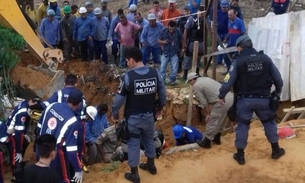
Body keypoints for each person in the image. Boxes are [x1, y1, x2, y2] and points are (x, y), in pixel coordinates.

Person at [218, 35, 285, 165]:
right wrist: (277, 92)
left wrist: (221, 95)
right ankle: (276, 150)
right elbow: (279, 80)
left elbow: (227, 81)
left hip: (244, 101)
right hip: (264, 99)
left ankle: (240, 155)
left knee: (243, 125)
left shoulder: (238, 61)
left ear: (239, 47)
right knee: (269, 123)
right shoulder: (266, 59)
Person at [111, 46, 166, 183]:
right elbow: (162, 91)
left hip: (134, 118)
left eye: (127, 61)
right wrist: (160, 106)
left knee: (133, 144)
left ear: (132, 60)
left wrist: (114, 112)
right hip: (149, 117)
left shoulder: (129, 77)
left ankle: (134, 174)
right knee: (149, 139)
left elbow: (119, 98)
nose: (127, 64)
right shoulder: (155, 73)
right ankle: (151, 165)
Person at [37, 90, 84, 183]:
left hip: (40, 147)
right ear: (79, 104)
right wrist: (78, 169)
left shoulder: (52, 105)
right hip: (55, 154)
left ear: (67, 98)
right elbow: (71, 150)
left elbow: (39, 126)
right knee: (63, 179)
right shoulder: (72, 121)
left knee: (43, 176)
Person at [185, 72, 234, 148]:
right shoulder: (205, 79)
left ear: (192, 80)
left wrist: (208, 114)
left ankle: (206, 141)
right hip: (230, 98)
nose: (190, 84)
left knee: (212, 120)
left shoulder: (196, 86)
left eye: (189, 82)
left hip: (222, 101)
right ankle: (216, 138)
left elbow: (204, 103)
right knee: (221, 120)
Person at [6, 97, 41, 183]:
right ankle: (17, 177)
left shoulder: (24, 103)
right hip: (13, 135)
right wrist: (18, 151)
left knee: (17, 155)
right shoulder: (24, 112)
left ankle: (16, 174)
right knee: (17, 156)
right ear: (31, 101)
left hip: (13, 131)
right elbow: (18, 133)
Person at [182, 6, 205, 79]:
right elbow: (186, 30)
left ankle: (197, 73)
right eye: (200, 13)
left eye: (203, 13)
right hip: (192, 41)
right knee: (188, 58)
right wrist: (184, 42)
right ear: (198, 11)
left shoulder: (206, 19)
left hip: (201, 41)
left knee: (198, 58)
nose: (202, 15)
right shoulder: (192, 18)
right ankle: (185, 74)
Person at [158, 20, 183, 85]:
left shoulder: (178, 31)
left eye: (173, 29)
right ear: (168, 26)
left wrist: (182, 50)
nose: (171, 30)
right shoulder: (163, 31)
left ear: (175, 27)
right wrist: (163, 42)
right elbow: (158, 40)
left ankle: (172, 80)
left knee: (174, 68)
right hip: (165, 52)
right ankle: (162, 80)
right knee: (163, 67)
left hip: (174, 52)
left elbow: (182, 40)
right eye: (170, 29)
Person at [223, 8, 246, 74]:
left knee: (236, 59)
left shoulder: (239, 22)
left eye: (231, 15)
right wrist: (226, 39)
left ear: (235, 14)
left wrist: (242, 43)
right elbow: (230, 31)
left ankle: (235, 72)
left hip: (238, 44)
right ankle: (229, 69)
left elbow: (244, 33)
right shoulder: (229, 21)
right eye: (228, 15)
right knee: (225, 56)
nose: (229, 16)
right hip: (230, 43)